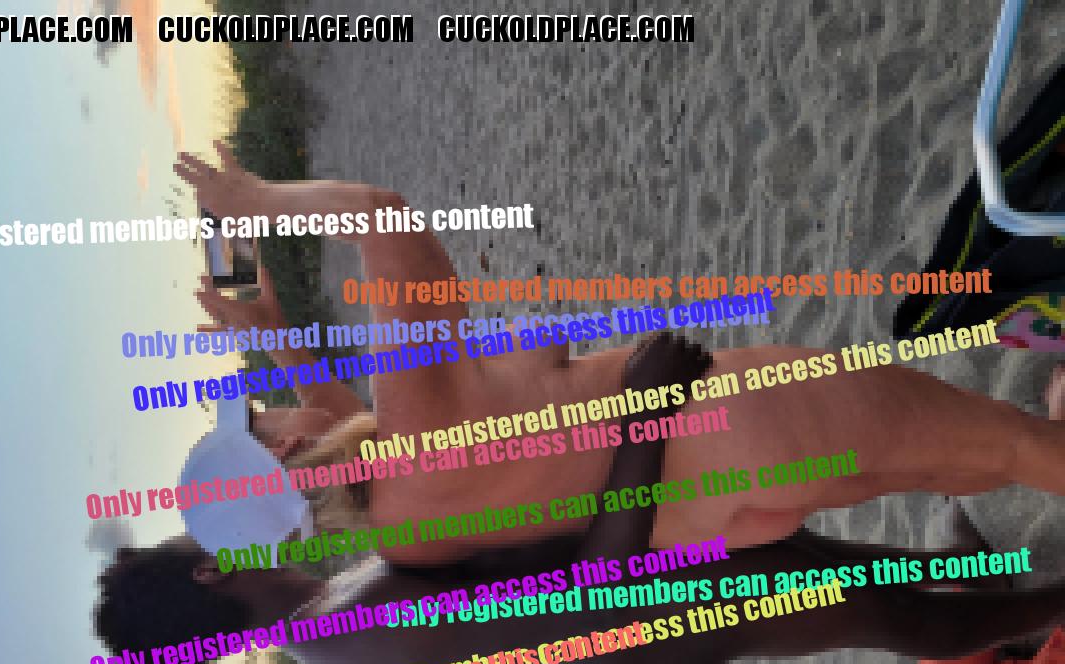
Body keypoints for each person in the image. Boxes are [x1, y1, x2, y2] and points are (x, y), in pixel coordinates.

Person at [175, 144, 1065, 568]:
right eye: (258, 418)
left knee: (965, 460)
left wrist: (271, 327)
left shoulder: (408, 536)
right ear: (285, 446)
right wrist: (258, 200)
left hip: (726, 515)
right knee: (1007, 441)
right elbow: (383, 218)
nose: (270, 405)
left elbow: (348, 438)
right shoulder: (412, 415)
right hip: (747, 423)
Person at [95, 334, 1065, 664]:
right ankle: (1047, 605)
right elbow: (592, 602)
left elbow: (376, 457)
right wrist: (646, 415)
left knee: (835, 560)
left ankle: (986, 575)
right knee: (878, 608)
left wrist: (273, 336)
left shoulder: (322, 600)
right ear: (206, 569)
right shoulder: (350, 636)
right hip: (647, 618)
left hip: (638, 565)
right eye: (190, 541)